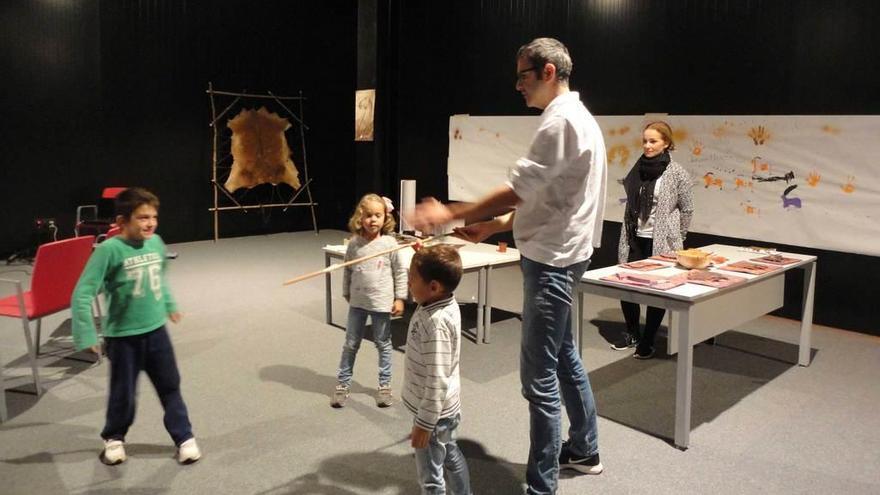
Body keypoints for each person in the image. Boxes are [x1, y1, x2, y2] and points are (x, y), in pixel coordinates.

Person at [409, 37, 607, 495]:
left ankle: (542, 486)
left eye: (523, 75)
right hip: (564, 254)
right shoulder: (577, 117)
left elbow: (519, 188)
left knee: (538, 379)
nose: (517, 85)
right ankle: (585, 448)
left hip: (553, 263)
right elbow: (550, 197)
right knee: (564, 357)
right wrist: (495, 227)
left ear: (548, 72)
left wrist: (453, 213)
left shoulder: (561, 122)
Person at [71, 187, 201, 466]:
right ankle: (114, 437)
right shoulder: (108, 250)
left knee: (170, 387)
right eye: (142, 217)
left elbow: (160, 277)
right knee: (124, 393)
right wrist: (85, 331)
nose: (150, 223)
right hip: (123, 339)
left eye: (153, 216)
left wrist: (168, 305)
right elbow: (83, 292)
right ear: (122, 222)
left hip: (156, 333)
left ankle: (184, 437)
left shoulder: (156, 243)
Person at [612, 121, 694, 359]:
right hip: (634, 236)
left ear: (666, 143)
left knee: (656, 290)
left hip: (662, 241)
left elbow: (687, 209)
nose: (647, 146)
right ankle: (632, 332)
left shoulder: (677, 172)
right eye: (645, 141)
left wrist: (679, 236)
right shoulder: (636, 169)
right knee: (626, 285)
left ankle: (648, 340)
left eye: (653, 141)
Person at [403, 244, 471, 495]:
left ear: (434, 287)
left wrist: (424, 423)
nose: (409, 283)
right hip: (445, 411)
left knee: (431, 477)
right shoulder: (442, 300)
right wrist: (425, 258)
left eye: (412, 279)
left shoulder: (436, 324)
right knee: (450, 455)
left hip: (434, 414)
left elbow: (437, 380)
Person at [331, 194, 407, 408]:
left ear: (385, 218)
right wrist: (346, 291)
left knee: (383, 344)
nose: (373, 220)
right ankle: (343, 384)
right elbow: (348, 269)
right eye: (368, 216)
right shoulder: (355, 244)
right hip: (357, 302)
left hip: (381, 303)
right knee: (350, 344)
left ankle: (384, 387)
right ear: (360, 217)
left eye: (378, 215)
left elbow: (400, 272)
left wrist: (400, 298)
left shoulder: (390, 243)